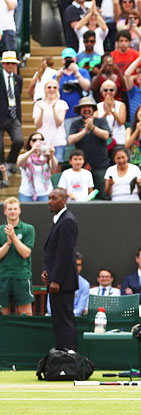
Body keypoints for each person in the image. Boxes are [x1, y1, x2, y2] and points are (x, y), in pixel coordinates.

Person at [42, 188, 79, 350]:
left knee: (64, 320)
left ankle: (68, 355)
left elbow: (65, 253)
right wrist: (47, 272)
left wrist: (56, 279)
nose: (50, 201)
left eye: (53, 198)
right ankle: (62, 355)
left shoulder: (67, 221)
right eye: (49, 198)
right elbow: (53, 251)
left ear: (63, 200)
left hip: (63, 283)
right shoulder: (59, 220)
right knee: (59, 321)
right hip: (57, 281)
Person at [67, 96, 112, 196]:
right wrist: (85, 131)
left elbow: (106, 135)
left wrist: (92, 128)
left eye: (89, 107)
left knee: (103, 196)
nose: (86, 109)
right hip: (81, 167)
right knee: (82, 197)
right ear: (80, 110)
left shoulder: (101, 121)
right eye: (83, 107)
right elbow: (70, 140)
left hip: (100, 166)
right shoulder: (75, 124)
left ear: (93, 109)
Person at [0, 197, 34, 316]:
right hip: (3, 277)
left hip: (22, 277)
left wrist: (14, 237)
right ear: (5, 211)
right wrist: (8, 243)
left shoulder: (28, 229)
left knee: (26, 314)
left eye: (15, 209)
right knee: (2, 314)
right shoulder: (0, 231)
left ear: (19, 210)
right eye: (9, 209)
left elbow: (26, 253)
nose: (12, 211)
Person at [33, 79, 69, 164]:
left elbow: (59, 123)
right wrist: (42, 111)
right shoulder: (39, 104)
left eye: (54, 87)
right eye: (49, 87)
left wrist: (53, 108)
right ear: (45, 89)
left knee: (56, 168)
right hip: (43, 141)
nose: (52, 89)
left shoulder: (62, 103)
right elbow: (37, 125)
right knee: (43, 167)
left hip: (58, 141)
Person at [0, 51, 23, 185]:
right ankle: (3, 171)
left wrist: (19, 117)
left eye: (12, 63)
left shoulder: (18, 79)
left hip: (13, 115)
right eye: (7, 63)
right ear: (3, 64)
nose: (10, 66)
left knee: (19, 140)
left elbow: (17, 98)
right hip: (1, 116)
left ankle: (10, 163)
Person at [16, 133, 58, 202]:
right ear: (30, 142)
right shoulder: (25, 156)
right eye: (34, 140)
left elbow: (54, 166)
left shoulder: (46, 157)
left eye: (40, 140)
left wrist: (51, 155)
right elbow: (20, 162)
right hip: (26, 193)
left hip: (45, 192)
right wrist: (32, 150)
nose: (37, 142)